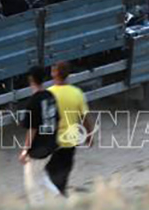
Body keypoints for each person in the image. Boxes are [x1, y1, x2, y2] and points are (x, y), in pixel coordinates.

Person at [46, 61, 93, 197]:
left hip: (53, 142)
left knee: (51, 172)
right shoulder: (77, 93)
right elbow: (85, 117)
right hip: (70, 141)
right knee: (64, 171)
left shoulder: (48, 94)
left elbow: (44, 120)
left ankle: (57, 197)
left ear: (55, 73)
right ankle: (62, 193)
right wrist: (89, 135)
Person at [19, 66, 61, 205]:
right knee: (41, 175)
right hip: (51, 144)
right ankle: (58, 198)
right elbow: (57, 119)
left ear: (31, 80)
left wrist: (25, 150)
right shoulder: (50, 96)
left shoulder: (33, 102)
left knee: (31, 184)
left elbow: (32, 129)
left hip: (39, 149)